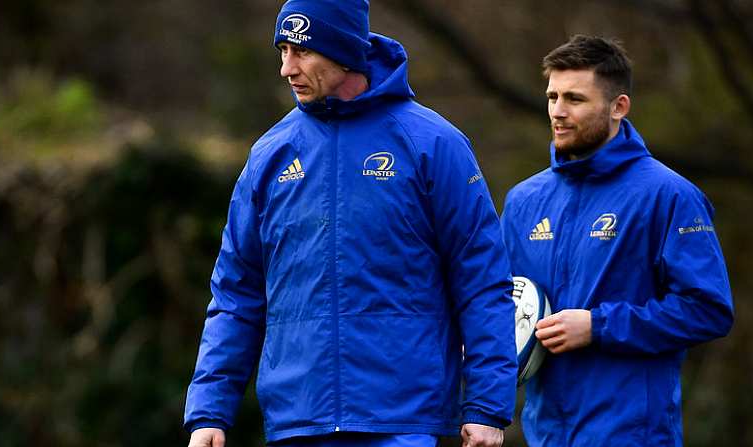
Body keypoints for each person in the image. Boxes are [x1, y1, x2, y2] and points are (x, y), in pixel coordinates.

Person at [184, 1, 517, 446]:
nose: (286, 68)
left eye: (300, 51)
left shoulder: (435, 144)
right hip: (298, 423)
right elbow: (236, 294)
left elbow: (482, 282)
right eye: (281, 51)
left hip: (403, 422)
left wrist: (486, 406)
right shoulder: (269, 156)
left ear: (342, 50)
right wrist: (209, 411)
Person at [501, 35, 734, 446]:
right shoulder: (524, 201)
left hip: (631, 433)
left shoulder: (668, 195)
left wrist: (598, 326)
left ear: (618, 107)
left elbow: (708, 309)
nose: (557, 111)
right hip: (545, 434)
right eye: (552, 96)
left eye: (574, 98)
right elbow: (497, 301)